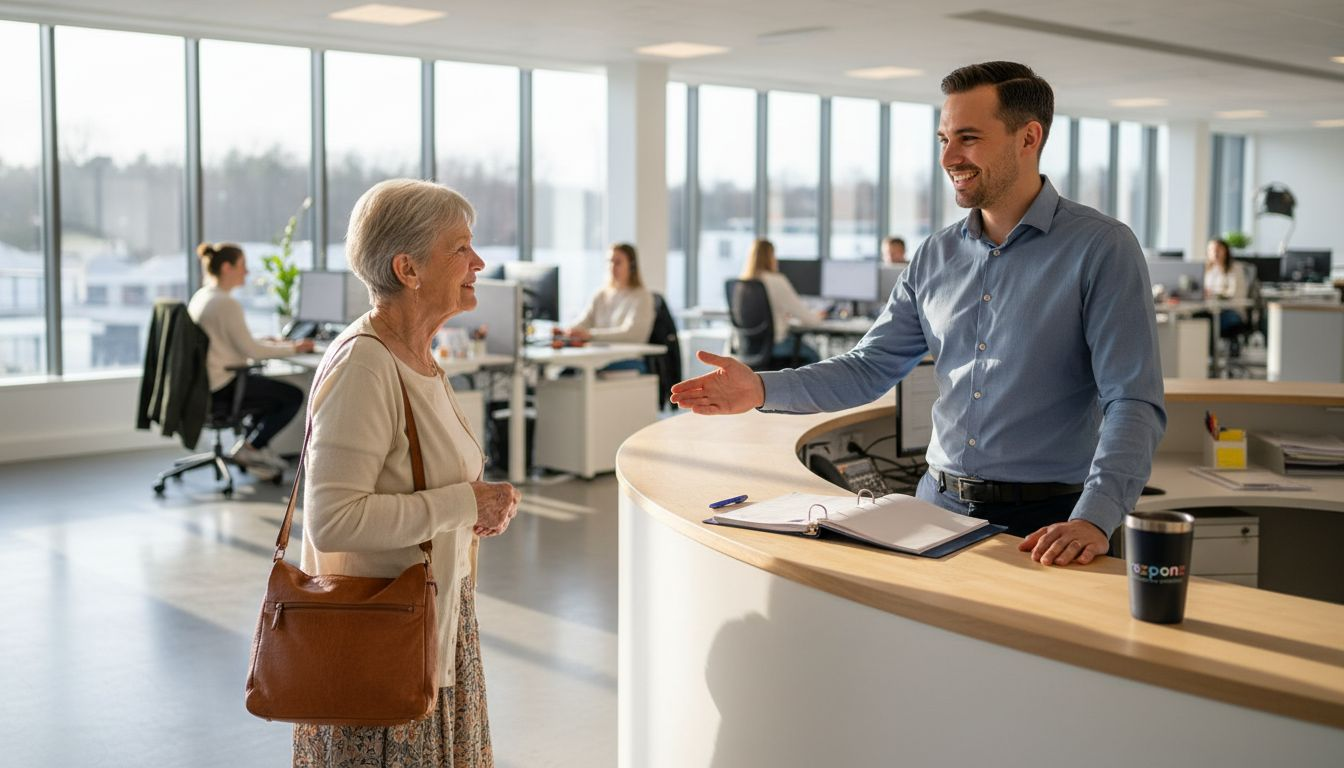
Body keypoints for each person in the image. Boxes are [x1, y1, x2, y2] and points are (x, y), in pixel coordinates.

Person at [672, 61, 1165, 569]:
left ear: (1028, 138)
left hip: (1051, 522)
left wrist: (1096, 515)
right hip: (937, 508)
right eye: (943, 138)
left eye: (968, 138)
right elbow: (869, 368)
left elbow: (1132, 400)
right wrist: (761, 389)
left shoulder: (1101, 247)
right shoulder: (935, 256)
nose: (949, 156)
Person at [293, 179, 521, 766]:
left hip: (435, 623)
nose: (479, 262)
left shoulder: (418, 355)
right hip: (381, 641)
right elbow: (334, 521)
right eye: (461, 249)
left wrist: (473, 511)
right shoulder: (365, 365)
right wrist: (465, 505)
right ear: (408, 269)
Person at [188, 242, 314, 481]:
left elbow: (232, 341)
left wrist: (272, 343)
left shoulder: (204, 296)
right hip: (224, 385)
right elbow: (252, 351)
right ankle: (252, 447)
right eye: (242, 266)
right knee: (292, 396)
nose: (246, 272)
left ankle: (251, 448)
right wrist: (294, 347)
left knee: (271, 393)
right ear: (227, 267)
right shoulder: (226, 303)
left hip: (208, 385)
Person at [738, 238, 822, 366]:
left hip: (747, 348)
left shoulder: (742, 285)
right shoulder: (776, 280)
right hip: (775, 346)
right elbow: (808, 319)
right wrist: (818, 317)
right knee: (814, 357)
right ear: (770, 257)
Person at [1203, 238, 1249, 339]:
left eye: (1218, 249)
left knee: (1210, 324)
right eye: (1211, 250)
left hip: (1232, 310)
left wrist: (1215, 294)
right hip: (1211, 309)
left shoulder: (1235, 268)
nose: (1215, 253)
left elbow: (1235, 293)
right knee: (1198, 319)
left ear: (1226, 251)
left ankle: (1212, 352)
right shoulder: (1208, 270)